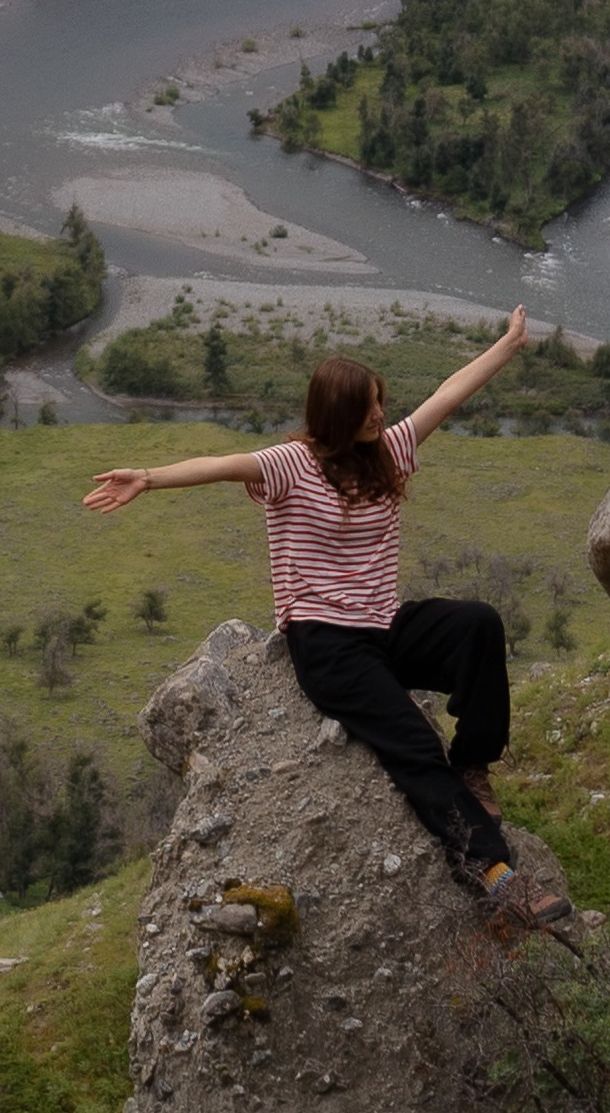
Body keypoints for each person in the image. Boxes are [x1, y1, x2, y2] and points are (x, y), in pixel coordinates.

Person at [83, 314, 575, 937]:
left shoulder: (388, 454)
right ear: (338, 414)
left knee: (477, 624)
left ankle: (474, 763)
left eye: (381, 405)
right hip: (326, 644)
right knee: (414, 746)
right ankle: (498, 874)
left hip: (382, 627)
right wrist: (148, 478)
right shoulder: (291, 465)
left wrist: (506, 346)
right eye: (369, 408)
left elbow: (448, 394)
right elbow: (221, 463)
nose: (381, 416)